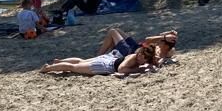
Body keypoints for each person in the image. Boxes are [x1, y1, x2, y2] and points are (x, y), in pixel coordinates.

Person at [42, 31, 177, 76]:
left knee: (80, 61)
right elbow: (121, 69)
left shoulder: (158, 53)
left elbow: (156, 62)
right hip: (105, 65)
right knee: (74, 67)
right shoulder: (134, 57)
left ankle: (58, 62)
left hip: (109, 59)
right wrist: (140, 70)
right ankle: (48, 68)